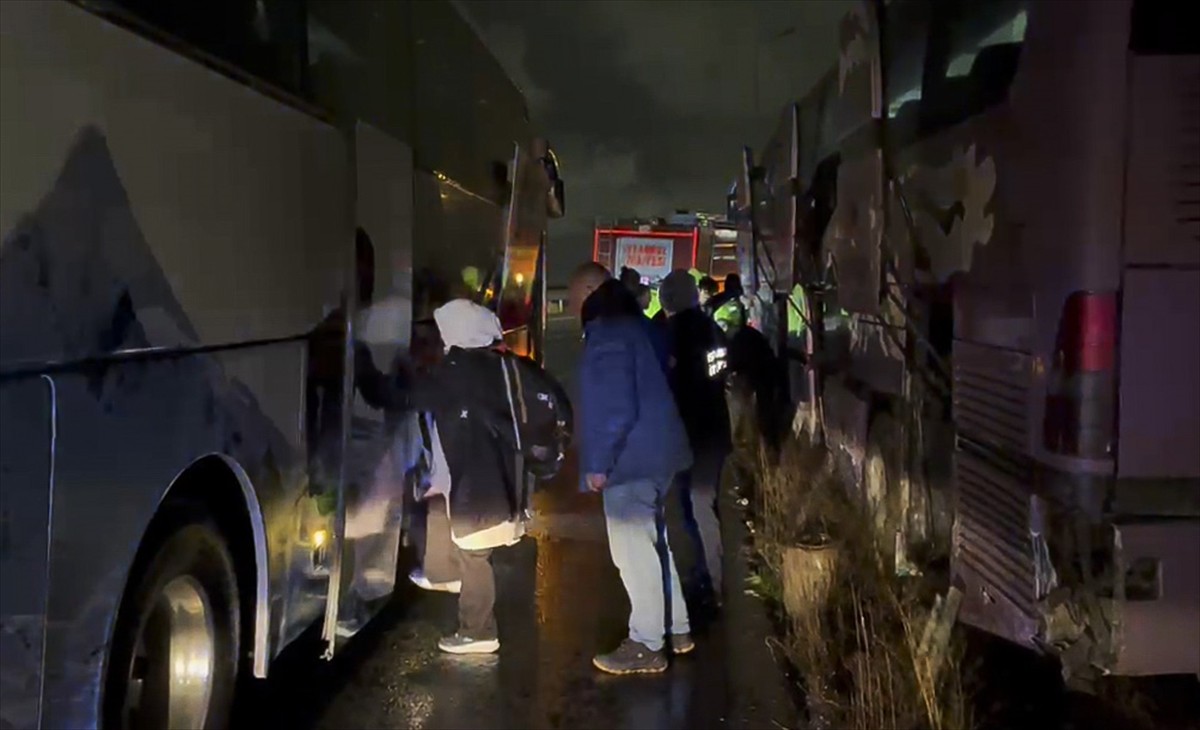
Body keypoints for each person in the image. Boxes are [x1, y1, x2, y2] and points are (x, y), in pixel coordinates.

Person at [568, 262, 695, 675]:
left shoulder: (606, 333)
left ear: (589, 290)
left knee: (634, 552)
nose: (571, 307)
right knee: (655, 545)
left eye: (573, 297)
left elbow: (614, 407)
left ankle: (646, 643)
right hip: (659, 454)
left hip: (631, 461)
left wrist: (599, 464)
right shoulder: (635, 325)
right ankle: (677, 629)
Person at [410, 298, 529, 654]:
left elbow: (411, 397)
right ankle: (446, 575)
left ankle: (478, 631)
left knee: (475, 554)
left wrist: (371, 375)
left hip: (479, 481)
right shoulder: (496, 364)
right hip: (493, 477)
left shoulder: (459, 370)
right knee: (452, 527)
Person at [658, 270, 731, 609]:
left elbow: (670, 385)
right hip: (715, 430)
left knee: (696, 507)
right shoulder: (711, 327)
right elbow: (720, 371)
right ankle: (707, 573)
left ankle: (711, 584)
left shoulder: (676, 333)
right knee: (703, 506)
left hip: (691, 434)